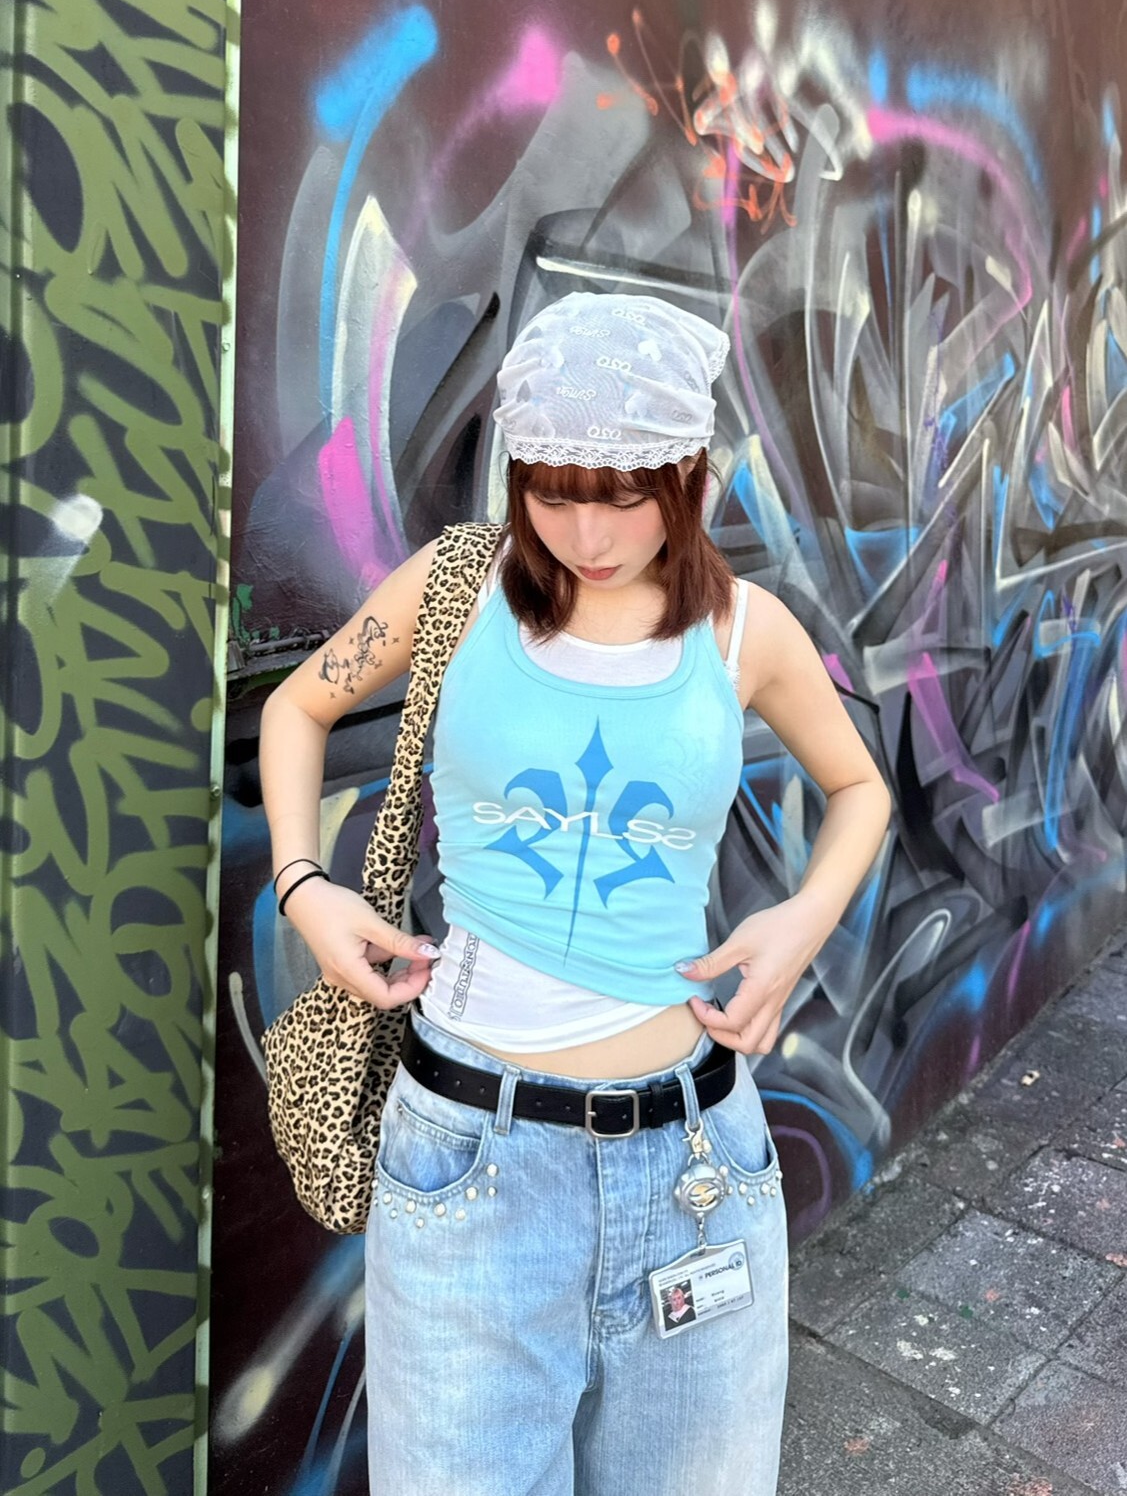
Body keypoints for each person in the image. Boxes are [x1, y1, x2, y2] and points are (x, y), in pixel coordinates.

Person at [260, 291, 890, 1496]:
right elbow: (300, 704)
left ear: (687, 473)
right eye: (551, 494)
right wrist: (302, 885)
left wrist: (797, 922)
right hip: (469, 1163)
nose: (586, 534)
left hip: (695, 1164)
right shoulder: (458, 585)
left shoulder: (743, 630)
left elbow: (858, 785)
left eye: (623, 496)